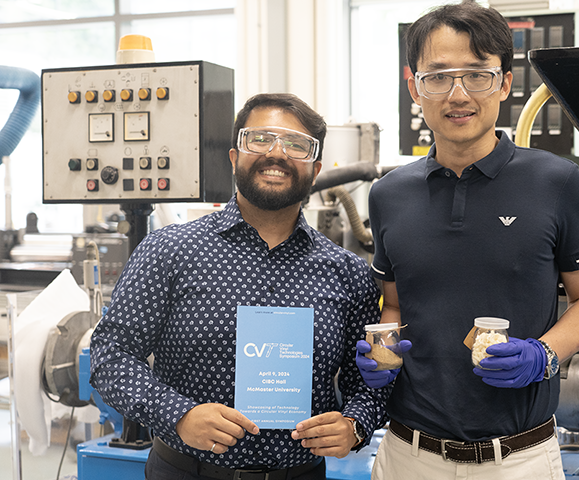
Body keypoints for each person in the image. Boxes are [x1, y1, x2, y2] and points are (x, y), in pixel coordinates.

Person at [356, 3, 579, 479]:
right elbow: (394, 304)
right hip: (408, 454)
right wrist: (381, 352)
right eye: (438, 77)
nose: (458, 94)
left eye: (477, 75)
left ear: (505, 84)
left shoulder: (555, 181)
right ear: (414, 86)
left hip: (521, 458)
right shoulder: (388, 194)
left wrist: (545, 355)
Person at [90, 92, 390, 480]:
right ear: (234, 157)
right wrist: (178, 415)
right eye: (260, 139)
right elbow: (110, 356)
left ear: (315, 171)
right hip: (186, 471)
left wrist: (355, 425)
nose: (277, 153)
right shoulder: (170, 251)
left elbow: (370, 381)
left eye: (296, 145)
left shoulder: (348, 273)